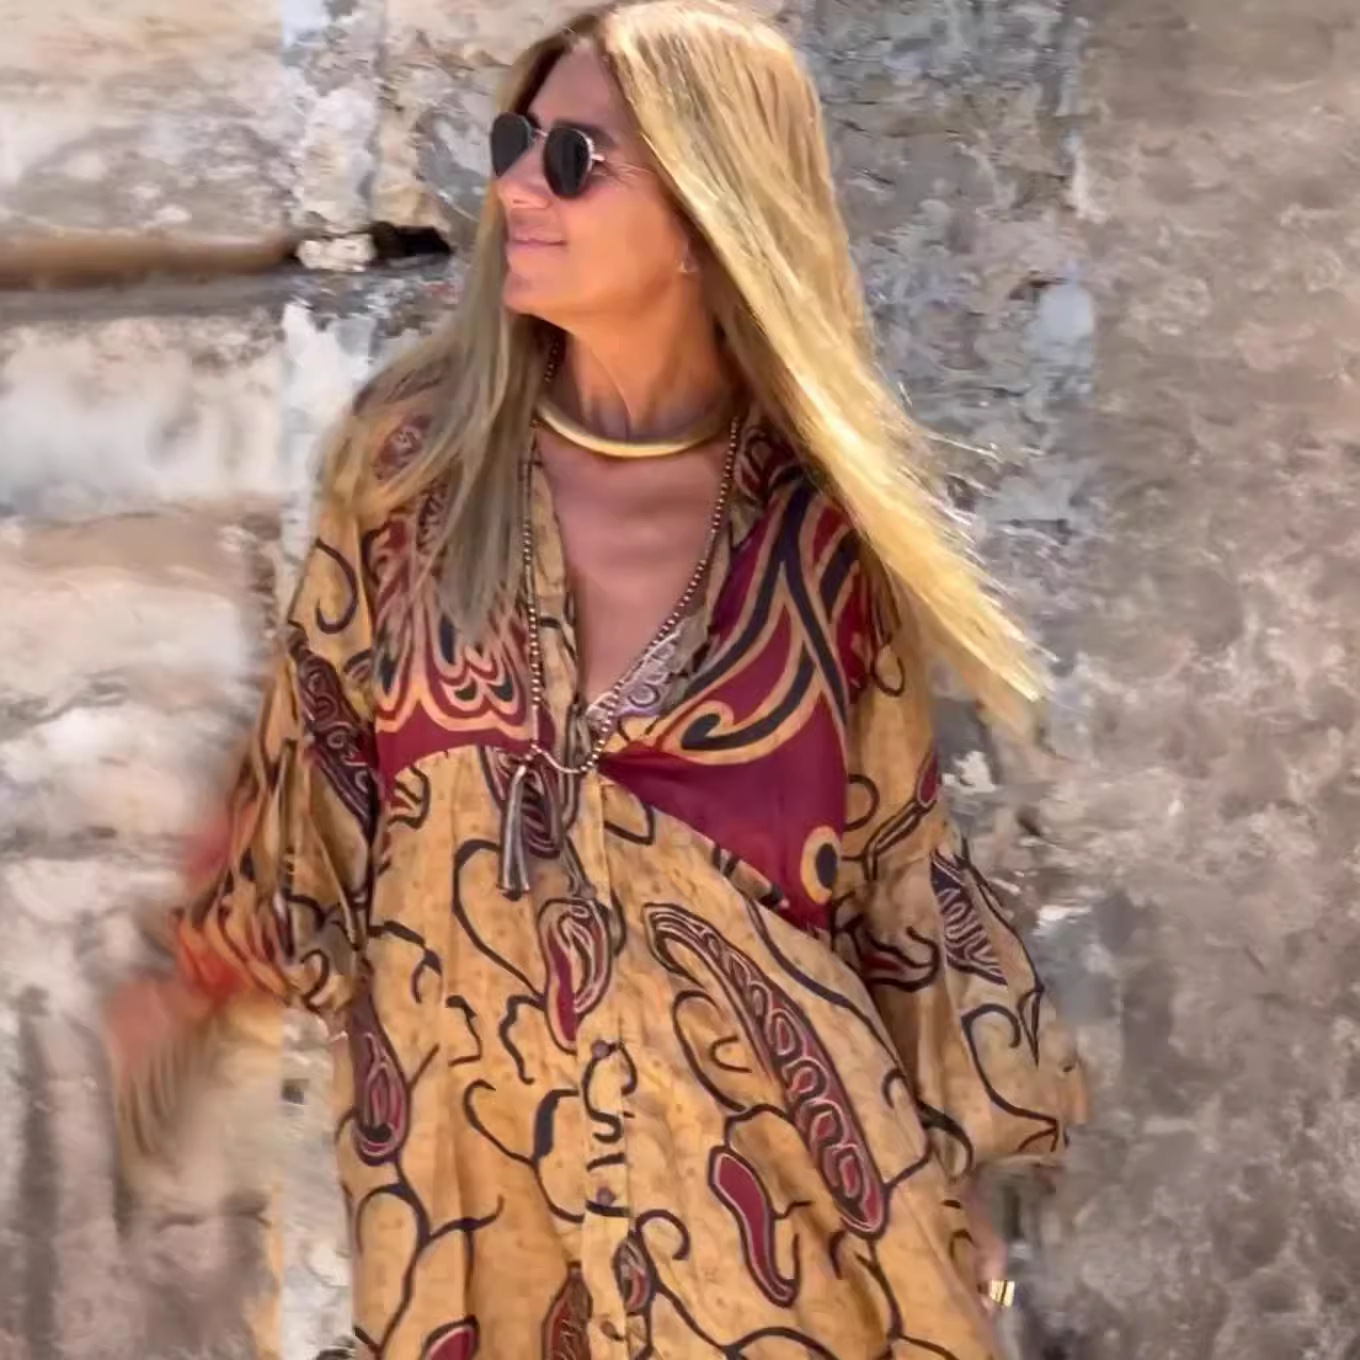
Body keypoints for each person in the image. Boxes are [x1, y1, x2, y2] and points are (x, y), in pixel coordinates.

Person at [106, 2, 1086, 1356]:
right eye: (516, 142)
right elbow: (306, 781)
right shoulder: (411, 472)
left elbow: (896, 878)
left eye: (574, 160)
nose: (518, 186)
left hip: (791, 1237)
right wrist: (176, 999)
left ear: (706, 210)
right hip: (473, 1212)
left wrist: (971, 1182)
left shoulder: (822, 535)